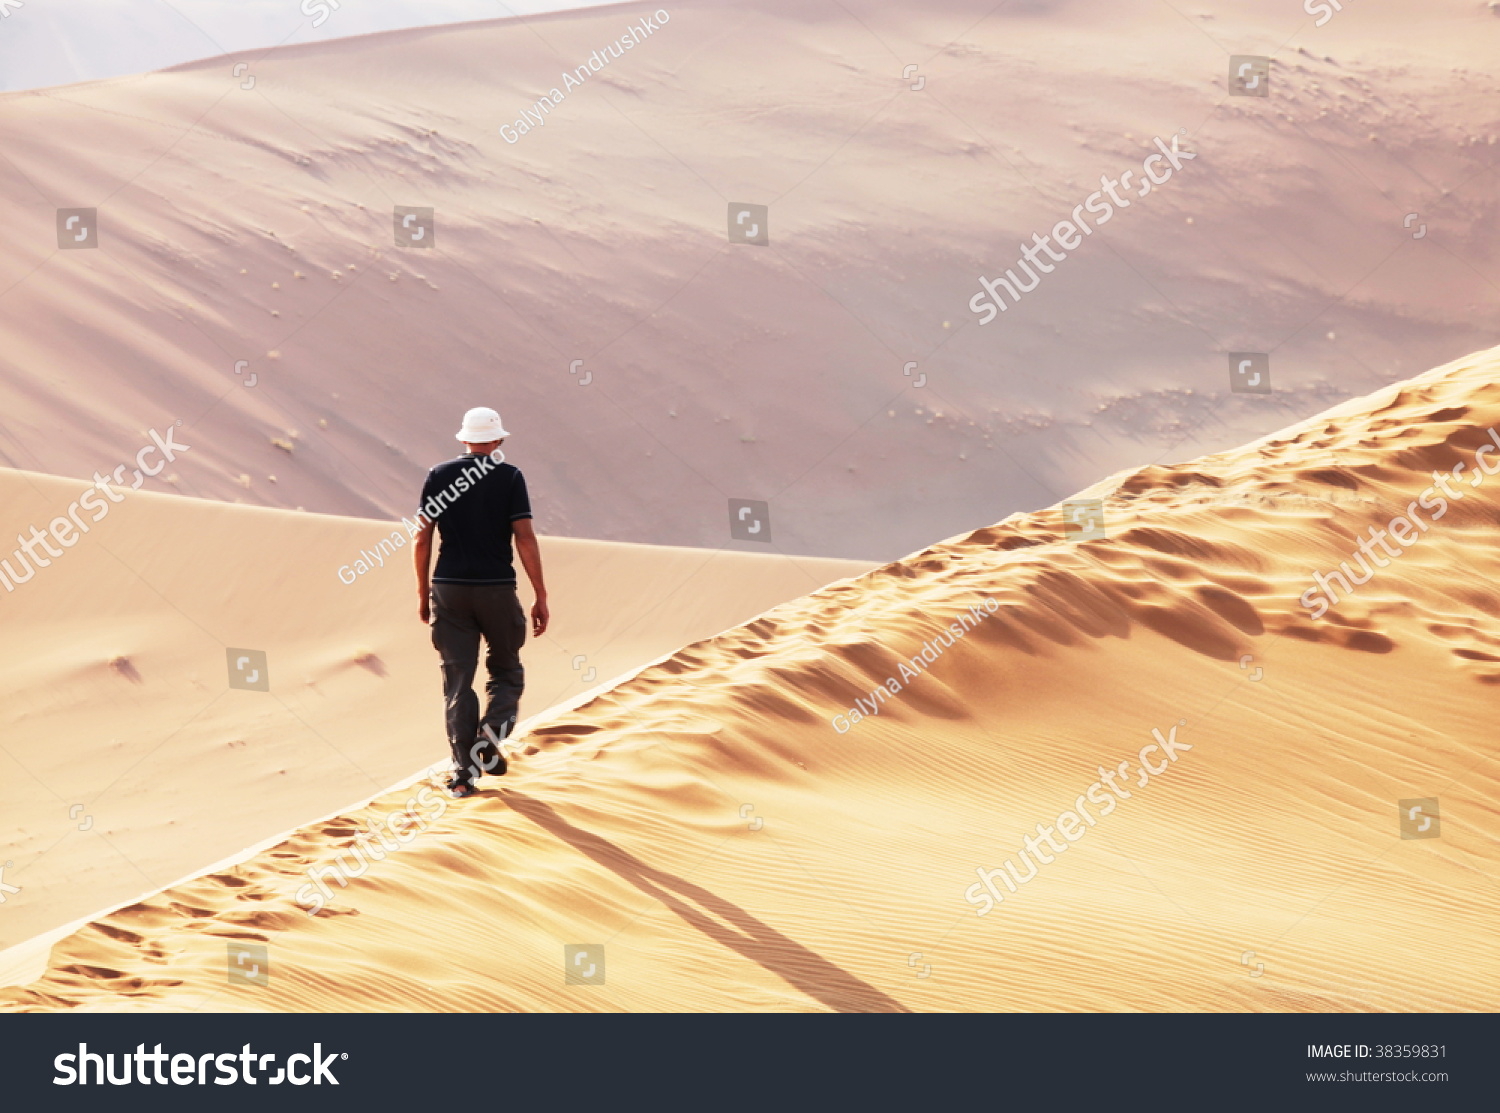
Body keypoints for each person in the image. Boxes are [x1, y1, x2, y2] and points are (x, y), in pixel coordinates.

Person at [413, 407, 549, 798]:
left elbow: (422, 538)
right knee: (506, 671)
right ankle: (489, 738)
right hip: (496, 589)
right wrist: (540, 594)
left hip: (448, 589)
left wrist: (423, 593)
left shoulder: (438, 475)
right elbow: (525, 537)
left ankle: (463, 773)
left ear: (464, 439)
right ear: (498, 440)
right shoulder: (509, 476)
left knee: (458, 682)